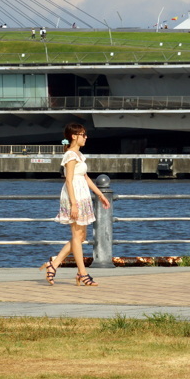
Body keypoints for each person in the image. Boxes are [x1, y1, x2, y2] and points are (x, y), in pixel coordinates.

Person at [41, 123, 110, 286]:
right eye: (83, 135)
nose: (86, 137)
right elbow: (69, 180)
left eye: (85, 135)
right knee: (77, 237)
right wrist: (73, 204)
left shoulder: (79, 154)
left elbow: (85, 177)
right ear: (74, 136)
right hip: (75, 197)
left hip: (83, 195)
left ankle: (53, 265)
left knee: (80, 237)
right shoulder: (70, 155)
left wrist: (100, 194)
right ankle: (82, 273)